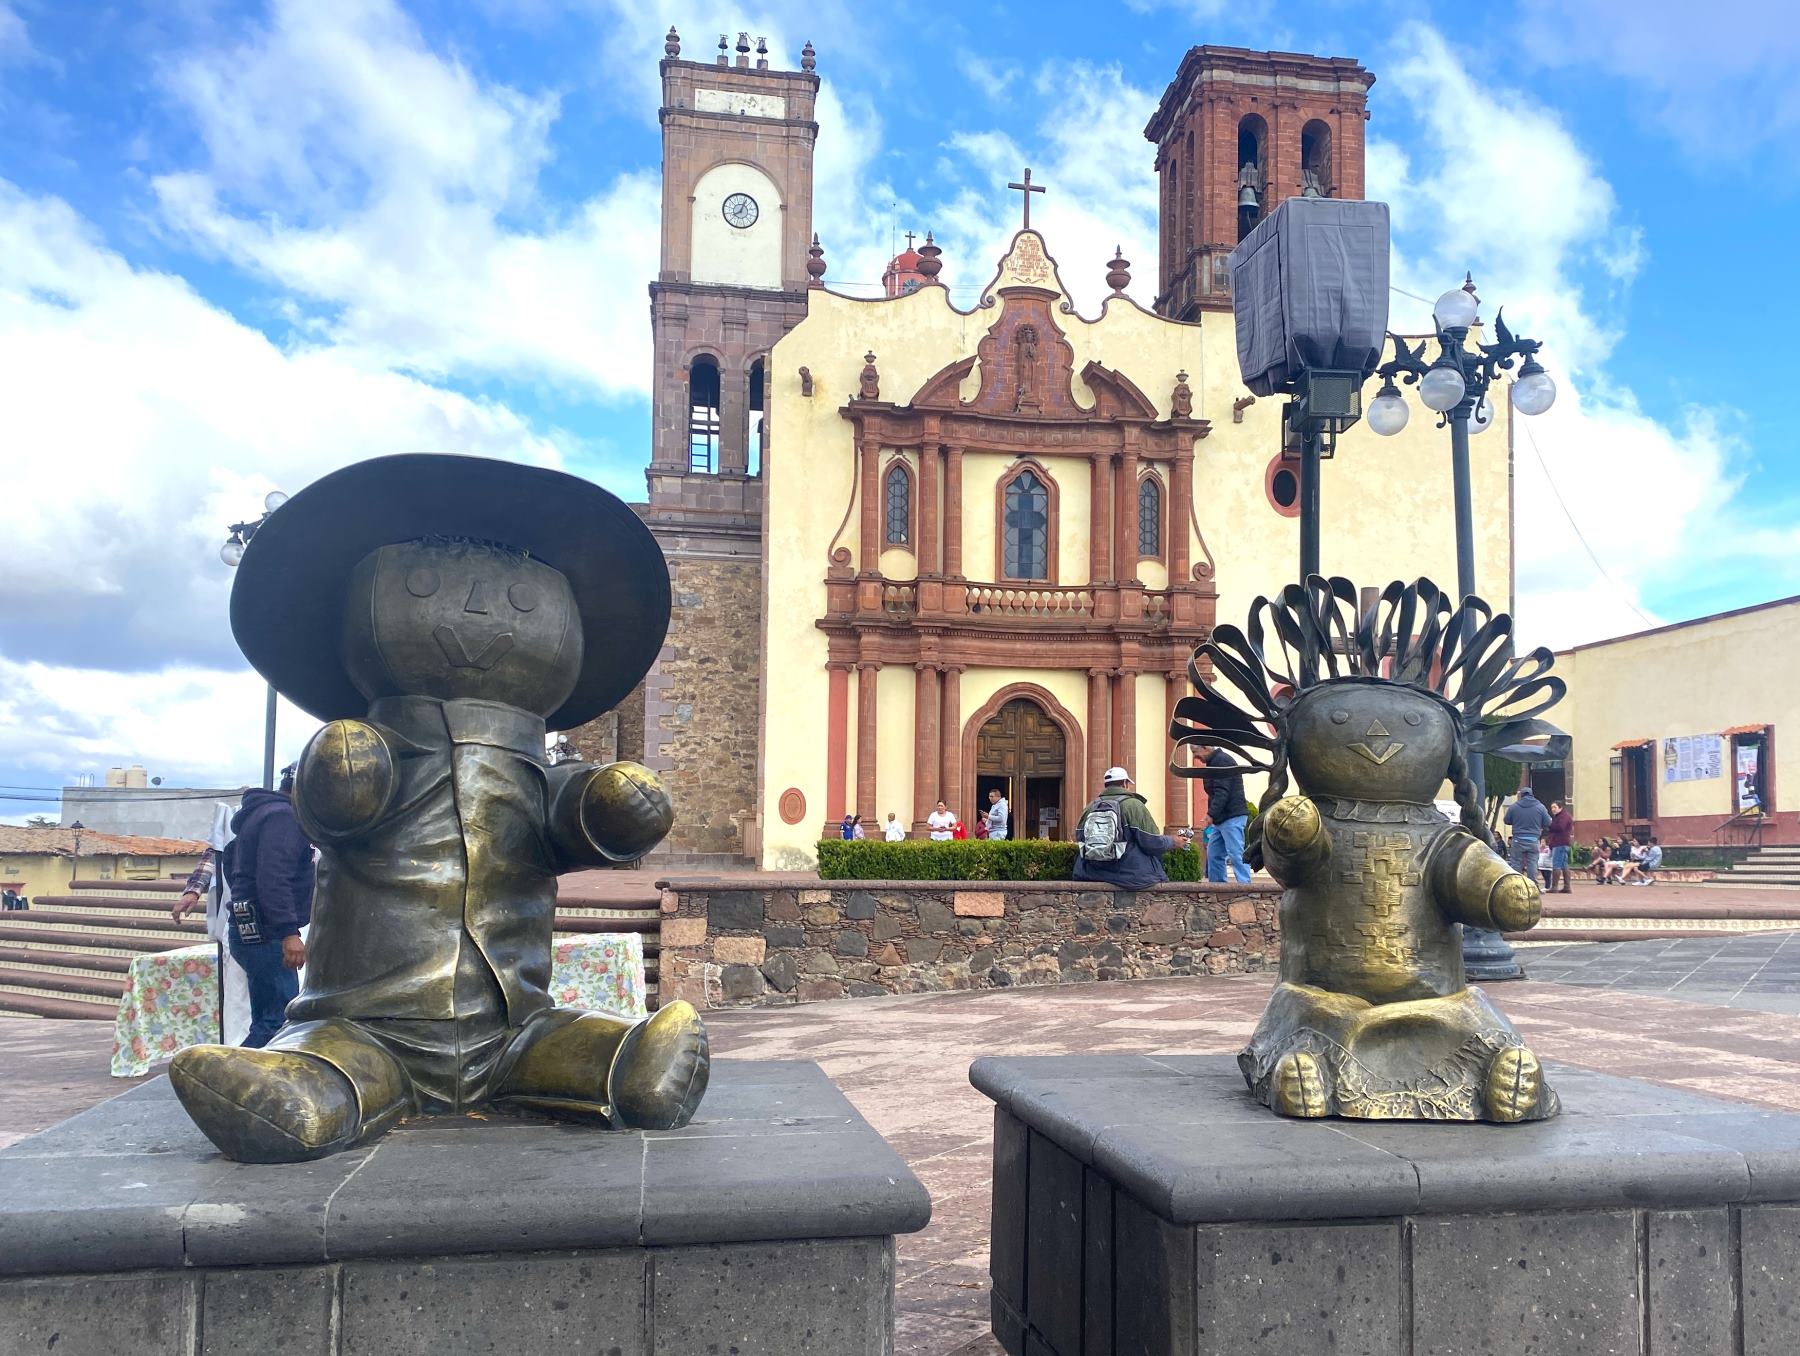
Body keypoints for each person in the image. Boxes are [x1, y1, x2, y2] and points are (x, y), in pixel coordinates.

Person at [223, 766, 315, 1048]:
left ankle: (236, 1082)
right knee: (280, 1022)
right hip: (269, 933)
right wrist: (288, 932)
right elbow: (274, 877)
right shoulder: (284, 817)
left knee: (266, 1019)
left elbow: (230, 862)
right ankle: (232, 1081)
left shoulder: (261, 814)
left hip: (250, 929)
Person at [1073, 767, 1193, 889]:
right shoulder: (1133, 805)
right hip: (1130, 876)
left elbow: (1079, 837)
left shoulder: (1090, 807)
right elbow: (1151, 843)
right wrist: (1173, 841)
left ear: (1106, 785)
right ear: (1125, 783)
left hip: (1091, 873)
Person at [1194, 743, 1250, 883]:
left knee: (1235, 853)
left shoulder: (1221, 761)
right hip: (1222, 818)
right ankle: (1217, 888)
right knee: (1214, 854)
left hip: (1231, 816)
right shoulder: (1215, 762)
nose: (1195, 757)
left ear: (1205, 747)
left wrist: (1210, 815)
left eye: (1195, 752)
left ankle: (1246, 887)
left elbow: (1221, 792)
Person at [1503, 786, 1552, 878]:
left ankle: (1517, 885)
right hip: (1533, 840)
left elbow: (1506, 820)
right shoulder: (1540, 807)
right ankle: (1532, 885)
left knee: (1516, 863)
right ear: (1532, 795)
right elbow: (1548, 822)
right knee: (1532, 863)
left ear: (1521, 795)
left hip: (1518, 840)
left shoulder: (1514, 807)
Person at [1544, 799, 1574, 894]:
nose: (1553, 809)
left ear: (1560, 807)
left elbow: (1560, 827)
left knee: (1556, 864)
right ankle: (1567, 887)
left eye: (1555, 807)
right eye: (1552, 807)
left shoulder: (1563, 817)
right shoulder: (1560, 816)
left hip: (1560, 843)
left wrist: (1550, 825)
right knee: (1564, 865)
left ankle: (1554, 887)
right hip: (1561, 843)